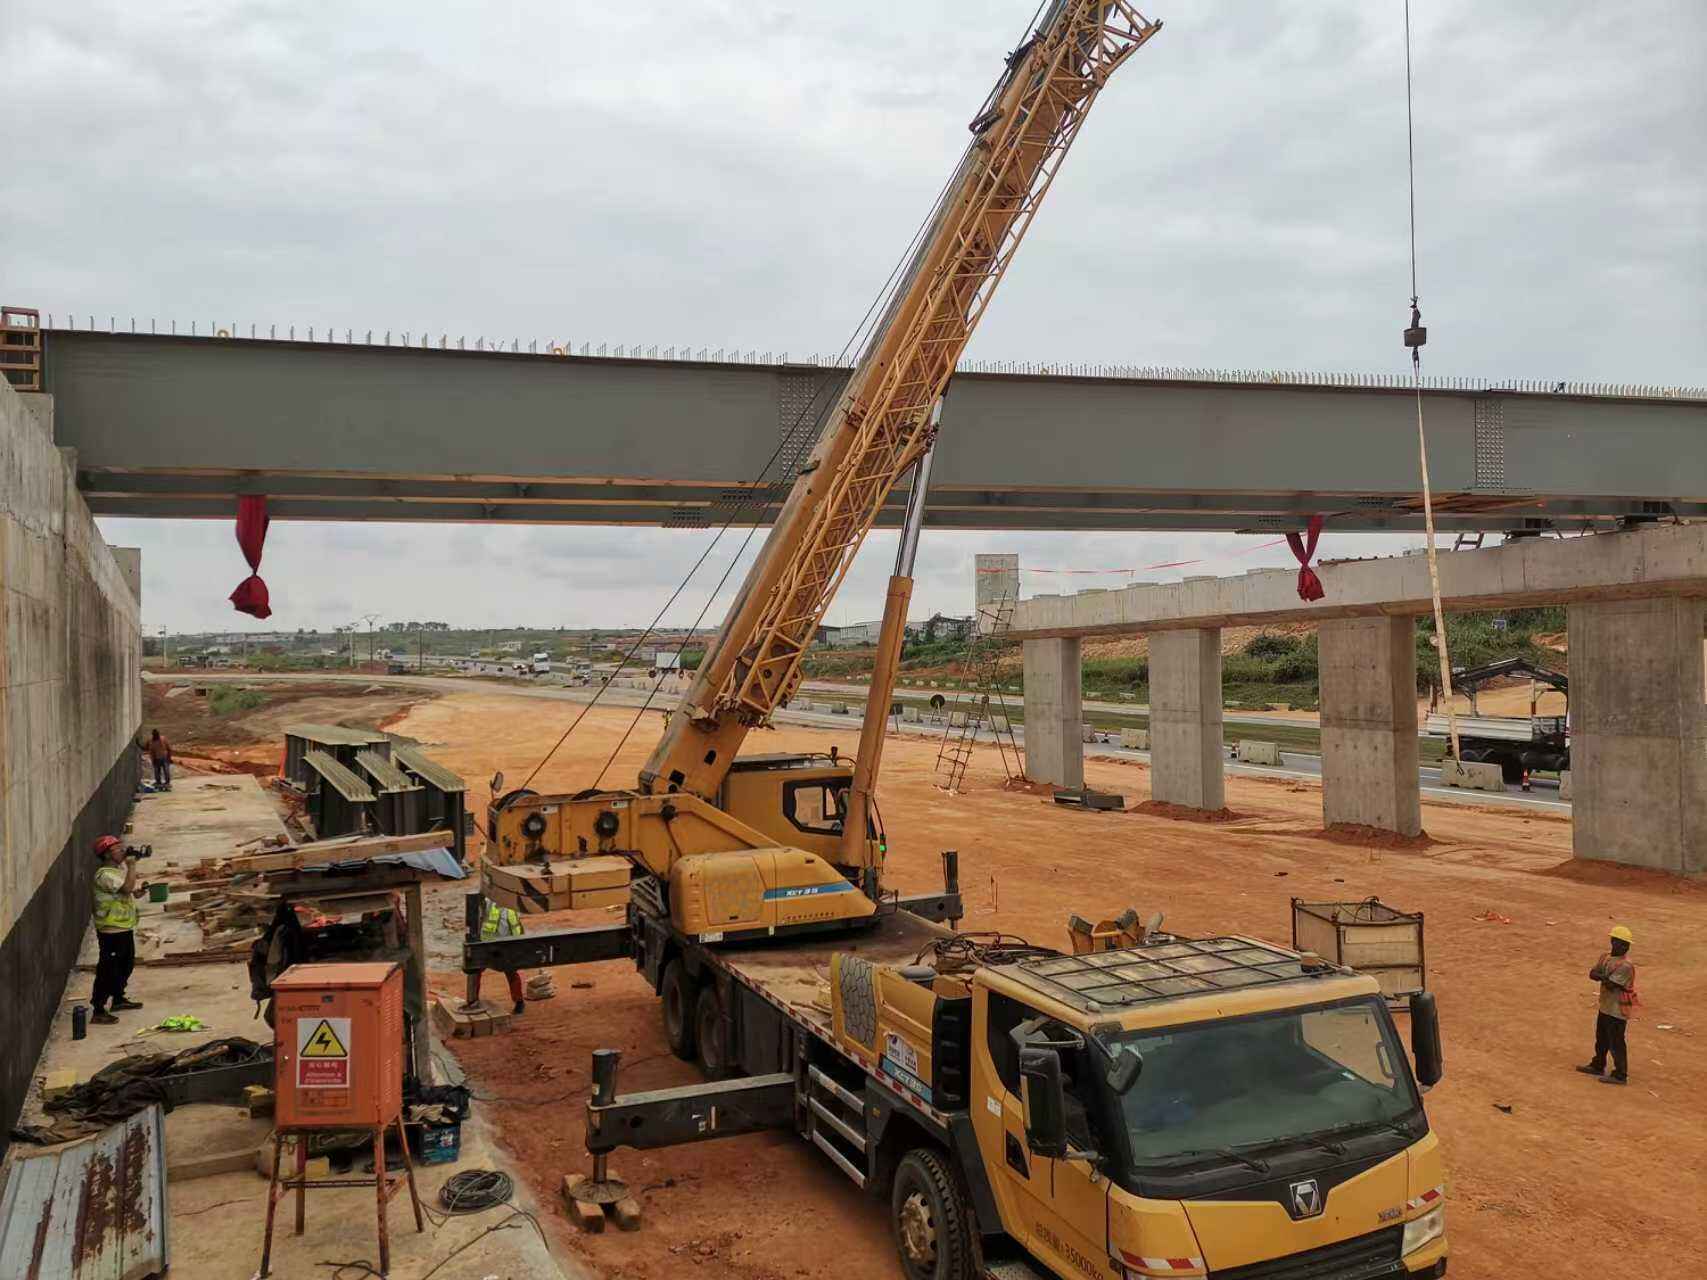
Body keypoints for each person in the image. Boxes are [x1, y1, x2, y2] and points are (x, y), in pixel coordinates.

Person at [90, 835, 150, 1024]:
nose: (123, 851)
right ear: (107, 854)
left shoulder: (116, 871)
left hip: (122, 926)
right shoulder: (104, 875)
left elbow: (127, 891)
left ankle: (118, 998)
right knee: (108, 969)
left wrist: (138, 892)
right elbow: (125, 889)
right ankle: (98, 1009)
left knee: (126, 964)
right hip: (110, 929)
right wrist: (132, 866)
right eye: (118, 849)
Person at [1576, 925, 1637, 1085]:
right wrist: (1603, 977)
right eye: (1621, 943)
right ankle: (1598, 1064)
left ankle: (1620, 1074)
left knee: (1616, 1042)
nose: (1625, 947)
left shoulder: (1626, 966)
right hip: (1606, 1006)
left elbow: (1609, 983)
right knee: (1601, 1038)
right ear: (1612, 942)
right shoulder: (1606, 958)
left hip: (1617, 1010)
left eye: (1626, 944)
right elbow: (1593, 974)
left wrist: (1600, 976)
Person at [477, 898, 528, 1015]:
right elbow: (479, 918)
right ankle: (473, 1000)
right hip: (489, 943)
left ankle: (519, 1002)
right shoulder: (486, 900)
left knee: (511, 973)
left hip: (508, 944)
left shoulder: (513, 899)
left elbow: (518, 924)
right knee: (476, 970)